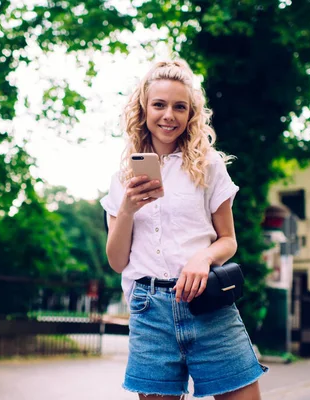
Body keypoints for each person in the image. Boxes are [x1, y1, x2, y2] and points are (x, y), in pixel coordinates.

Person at [100, 59, 268, 400]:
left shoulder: (208, 165)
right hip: (150, 311)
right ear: (144, 109)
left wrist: (202, 258)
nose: (169, 116)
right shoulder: (122, 181)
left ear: (191, 114)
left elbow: (228, 241)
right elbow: (118, 261)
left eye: (180, 107)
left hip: (208, 302)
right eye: (159, 105)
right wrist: (128, 209)